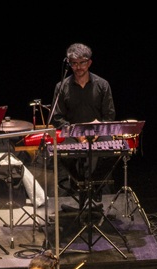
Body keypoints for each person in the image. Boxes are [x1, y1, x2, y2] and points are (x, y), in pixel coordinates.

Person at [50, 43, 117, 196]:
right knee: (64, 154)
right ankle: (76, 189)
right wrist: (77, 134)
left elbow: (109, 116)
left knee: (109, 151)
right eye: (74, 63)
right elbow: (57, 117)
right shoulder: (62, 87)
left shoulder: (102, 85)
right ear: (70, 63)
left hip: (98, 133)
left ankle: (99, 190)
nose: (79, 67)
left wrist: (97, 130)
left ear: (89, 63)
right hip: (73, 134)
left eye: (82, 63)